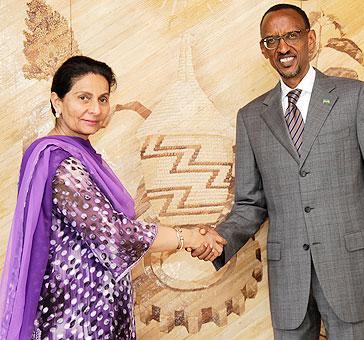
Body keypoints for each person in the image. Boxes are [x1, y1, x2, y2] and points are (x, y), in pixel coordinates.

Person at [190, 3, 364, 339]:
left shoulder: (355, 98)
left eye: (291, 36)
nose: (283, 47)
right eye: (272, 41)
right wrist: (219, 241)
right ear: (264, 50)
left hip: (351, 271)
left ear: (310, 39)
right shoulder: (251, 117)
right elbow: (250, 205)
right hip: (289, 279)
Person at [0, 56, 226, 340]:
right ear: (57, 102)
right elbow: (115, 236)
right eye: (83, 97)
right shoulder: (62, 165)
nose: (95, 109)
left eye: (103, 99)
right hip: (75, 318)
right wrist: (189, 237)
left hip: (93, 310)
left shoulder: (78, 156)